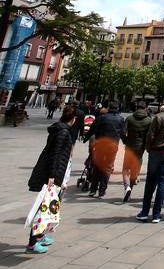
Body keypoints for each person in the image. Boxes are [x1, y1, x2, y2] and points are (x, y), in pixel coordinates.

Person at [27, 103, 77, 253]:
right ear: (73, 119)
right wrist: (53, 176)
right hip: (53, 176)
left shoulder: (61, 129)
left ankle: (40, 236)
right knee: (45, 209)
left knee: (50, 208)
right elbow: (56, 155)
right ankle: (32, 242)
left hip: (58, 174)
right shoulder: (63, 132)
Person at [88, 101, 123, 198]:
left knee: (97, 166)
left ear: (109, 108)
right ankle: (102, 191)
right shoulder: (120, 119)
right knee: (107, 168)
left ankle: (93, 189)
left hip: (101, 144)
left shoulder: (101, 118)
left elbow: (94, 130)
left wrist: (87, 138)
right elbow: (123, 132)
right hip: (112, 145)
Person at [121, 100, 152, 202]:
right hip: (140, 147)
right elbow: (150, 135)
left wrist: (126, 141)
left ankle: (127, 187)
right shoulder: (149, 120)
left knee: (125, 168)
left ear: (136, 107)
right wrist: (146, 145)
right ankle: (131, 188)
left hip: (130, 146)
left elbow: (122, 132)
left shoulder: (129, 118)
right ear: (145, 108)